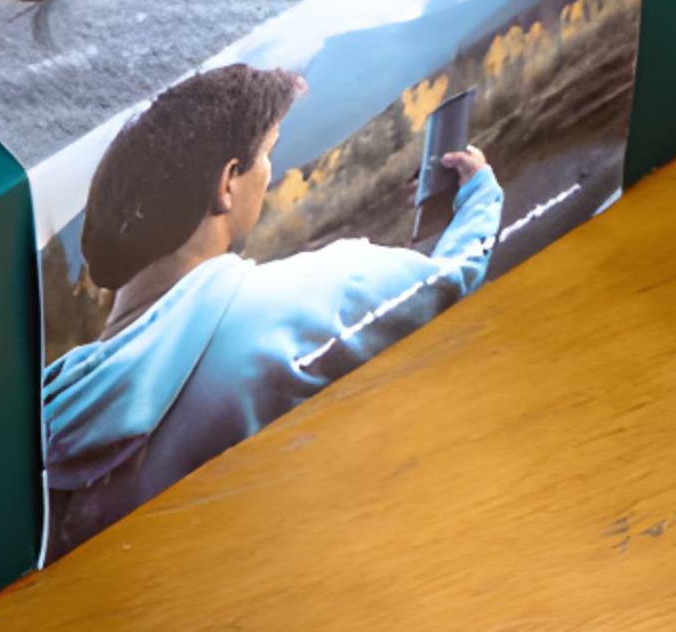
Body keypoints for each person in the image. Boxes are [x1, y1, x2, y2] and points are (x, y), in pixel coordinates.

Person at [41, 62, 503, 552]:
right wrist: (479, 194)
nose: (270, 172)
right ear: (227, 184)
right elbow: (451, 277)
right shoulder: (306, 296)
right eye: (266, 154)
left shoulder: (51, 403)